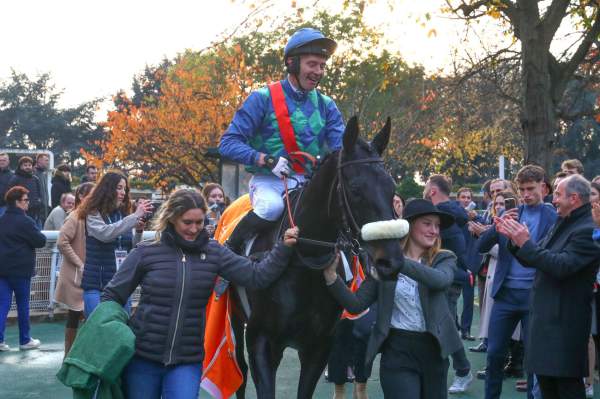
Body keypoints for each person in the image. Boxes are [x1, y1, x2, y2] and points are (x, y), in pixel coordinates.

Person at [100, 189, 299, 399]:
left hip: (187, 360)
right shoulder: (146, 252)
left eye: (200, 222)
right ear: (172, 218)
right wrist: (114, 332)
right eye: (187, 222)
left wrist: (283, 248)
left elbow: (256, 276)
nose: (194, 229)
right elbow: (112, 296)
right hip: (142, 358)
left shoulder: (215, 252)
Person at [219, 27, 345, 254]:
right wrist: (266, 160)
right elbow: (228, 143)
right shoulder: (261, 98)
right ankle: (230, 253)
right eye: (312, 64)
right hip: (269, 181)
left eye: (322, 66)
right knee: (271, 208)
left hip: (308, 183)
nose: (318, 71)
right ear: (292, 63)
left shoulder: (327, 105)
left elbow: (342, 149)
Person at [323, 199, 462, 399]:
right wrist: (331, 278)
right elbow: (356, 305)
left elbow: (440, 281)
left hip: (434, 351)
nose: (434, 230)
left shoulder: (444, 258)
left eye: (437, 226)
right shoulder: (384, 263)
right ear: (409, 226)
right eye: (427, 223)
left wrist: (398, 262)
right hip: (397, 351)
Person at [496, 174, 600, 399]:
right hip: (547, 322)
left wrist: (525, 243)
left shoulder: (587, 228)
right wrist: (516, 239)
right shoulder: (564, 221)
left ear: (574, 198)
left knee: (566, 389)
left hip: (564, 326)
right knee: (548, 388)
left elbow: (562, 266)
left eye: (558, 195)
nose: (553, 200)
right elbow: (537, 257)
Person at [478, 165, 557, 399]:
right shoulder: (509, 213)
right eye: (522, 189)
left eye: (530, 188)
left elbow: (551, 256)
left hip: (535, 295)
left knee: (534, 359)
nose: (525, 194)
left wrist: (526, 241)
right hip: (505, 295)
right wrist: (497, 227)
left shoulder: (553, 217)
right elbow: (481, 246)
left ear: (543, 187)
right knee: (493, 355)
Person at [77, 170, 152, 318]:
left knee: (121, 330)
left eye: (124, 188)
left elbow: (132, 248)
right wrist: (135, 216)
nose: (123, 192)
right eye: (119, 187)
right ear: (107, 188)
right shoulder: (93, 212)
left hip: (120, 283)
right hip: (96, 284)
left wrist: (138, 232)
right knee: (97, 329)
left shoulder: (123, 214)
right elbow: (105, 234)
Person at [423, 174, 473, 393]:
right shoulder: (452, 213)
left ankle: (462, 371)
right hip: (445, 277)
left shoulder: (443, 216)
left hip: (448, 279)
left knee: (446, 327)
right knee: (442, 326)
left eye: (426, 187)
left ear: (433, 190)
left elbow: (449, 248)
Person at [0, 186, 47, 351]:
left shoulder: (2, 219)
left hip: (2, 270)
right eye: (26, 200)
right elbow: (40, 240)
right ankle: (25, 340)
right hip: (21, 270)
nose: (28, 203)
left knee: (2, 304)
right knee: (22, 305)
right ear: (17, 202)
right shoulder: (26, 221)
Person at [55, 182, 95, 357]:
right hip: (75, 276)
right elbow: (61, 242)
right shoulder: (75, 216)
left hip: (85, 274)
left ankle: (72, 355)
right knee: (77, 314)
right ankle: (70, 355)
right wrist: (79, 263)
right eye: (92, 194)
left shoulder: (91, 216)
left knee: (81, 314)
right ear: (81, 196)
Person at [7, 156, 44, 227]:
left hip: (35, 210)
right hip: (21, 210)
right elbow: (10, 194)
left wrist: (39, 202)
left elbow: (40, 193)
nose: (28, 167)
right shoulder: (15, 178)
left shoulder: (35, 179)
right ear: (20, 166)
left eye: (29, 165)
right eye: (25, 165)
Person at [34, 153, 50, 222]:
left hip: (44, 211)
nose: (48, 162)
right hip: (38, 212)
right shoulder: (34, 174)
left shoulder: (42, 174)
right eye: (46, 160)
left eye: (48, 160)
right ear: (39, 161)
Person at [0, 152, 14, 217]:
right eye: (0, 160)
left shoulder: (13, 176)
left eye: (4, 160)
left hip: (5, 207)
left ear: (8, 162)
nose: (2, 162)